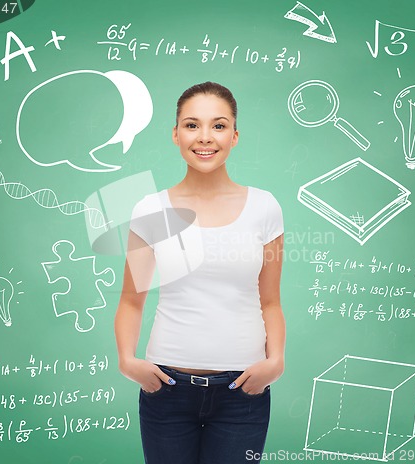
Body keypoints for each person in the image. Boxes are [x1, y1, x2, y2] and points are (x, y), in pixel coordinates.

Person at [114, 81, 285, 464]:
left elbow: (271, 300)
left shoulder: (265, 207)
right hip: (167, 389)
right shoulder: (150, 209)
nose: (205, 137)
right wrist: (128, 360)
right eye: (192, 125)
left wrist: (275, 362)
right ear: (175, 134)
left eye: (218, 125)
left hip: (244, 392)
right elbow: (130, 299)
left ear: (235, 136)